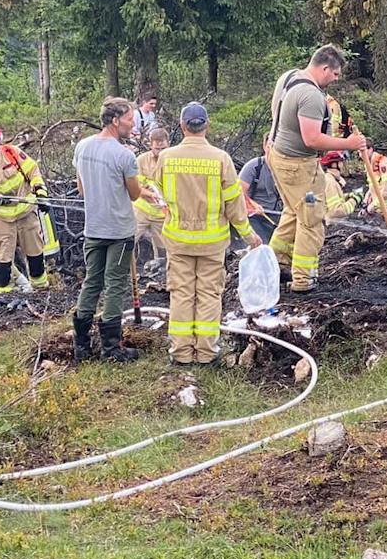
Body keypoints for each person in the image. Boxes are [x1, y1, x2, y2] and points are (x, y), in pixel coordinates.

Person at [153, 102, 258, 365]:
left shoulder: (166, 158)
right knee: (210, 295)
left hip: (178, 241)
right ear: (206, 126)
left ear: (182, 126)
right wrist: (249, 236)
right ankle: (207, 353)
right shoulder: (221, 159)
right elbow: (235, 205)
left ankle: (181, 353)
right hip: (212, 243)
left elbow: (154, 195)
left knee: (181, 294)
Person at [265, 45, 366, 294]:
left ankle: (276, 264)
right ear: (324, 68)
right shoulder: (311, 96)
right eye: (335, 74)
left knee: (293, 212)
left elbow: (276, 114)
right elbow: (311, 139)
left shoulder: (288, 77)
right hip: (297, 165)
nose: (336, 79)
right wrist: (349, 144)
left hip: (277, 157)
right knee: (312, 220)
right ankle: (303, 280)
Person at [73, 97, 162, 362]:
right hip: (120, 232)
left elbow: (81, 188)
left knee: (92, 281)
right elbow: (134, 193)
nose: (132, 124)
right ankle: (111, 349)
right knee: (115, 285)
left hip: (93, 228)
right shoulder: (124, 155)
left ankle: (82, 347)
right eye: (129, 119)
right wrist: (146, 193)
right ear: (115, 120)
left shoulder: (82, 147)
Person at [0, 121, 56, 297]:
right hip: (3, 220)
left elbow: (33, 171)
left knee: (35, 253)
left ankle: (40, 289)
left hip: (27, 213)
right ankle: (1, 294)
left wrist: (41, 193)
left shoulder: (13, 153)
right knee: (2, 258)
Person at [134, 128, 172, 272]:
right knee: (128, 240)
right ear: (151, 146)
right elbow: (135, 185)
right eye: (157, 148)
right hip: (141, 209)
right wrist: (147, 193)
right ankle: (125, 271)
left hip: (162, 212)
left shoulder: (173, 161)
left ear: (168, 145)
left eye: (163, 148)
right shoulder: (142, 160)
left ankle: (160, 276)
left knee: (163, 249)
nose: (160, 151)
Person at [238, 151, 284, 242]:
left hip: (274, 217)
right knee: (262, 245)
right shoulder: (254, 166)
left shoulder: (285, 170)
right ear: (267, 147)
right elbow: (237, 194)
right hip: (253, 217)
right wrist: (253, 205)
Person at [319, 151, 365, 220]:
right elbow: (336, 212)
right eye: (341, 162)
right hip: (333, 223)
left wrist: (347, 196)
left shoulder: (330, 179)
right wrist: (355, 199)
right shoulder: (331, 183)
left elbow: (331, 201)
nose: (343, 165)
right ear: (335, 165)